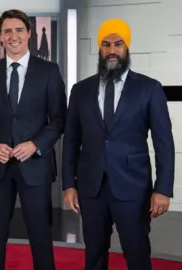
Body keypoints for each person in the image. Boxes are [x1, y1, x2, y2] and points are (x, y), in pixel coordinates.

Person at [62, 18, 175, 270]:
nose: (112, 50)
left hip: (132, 188)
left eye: (118, 44)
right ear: (99, 49)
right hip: (91, 188)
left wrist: (163, 189)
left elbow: (164, 143)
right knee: (94, 255)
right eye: (105, 44)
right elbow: (71, 141)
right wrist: (69, 184)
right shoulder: (80, 90)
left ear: (127, 48)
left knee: (136, 254)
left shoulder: (149, 88)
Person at [0, 9, 67, 270]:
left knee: (40, 236)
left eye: (18, 30)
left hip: (35, 167)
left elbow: (59, 119)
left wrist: (36, 145)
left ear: (28, 33)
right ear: (0, 37)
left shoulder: (49, 71)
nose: (13, 36)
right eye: (7, 31)